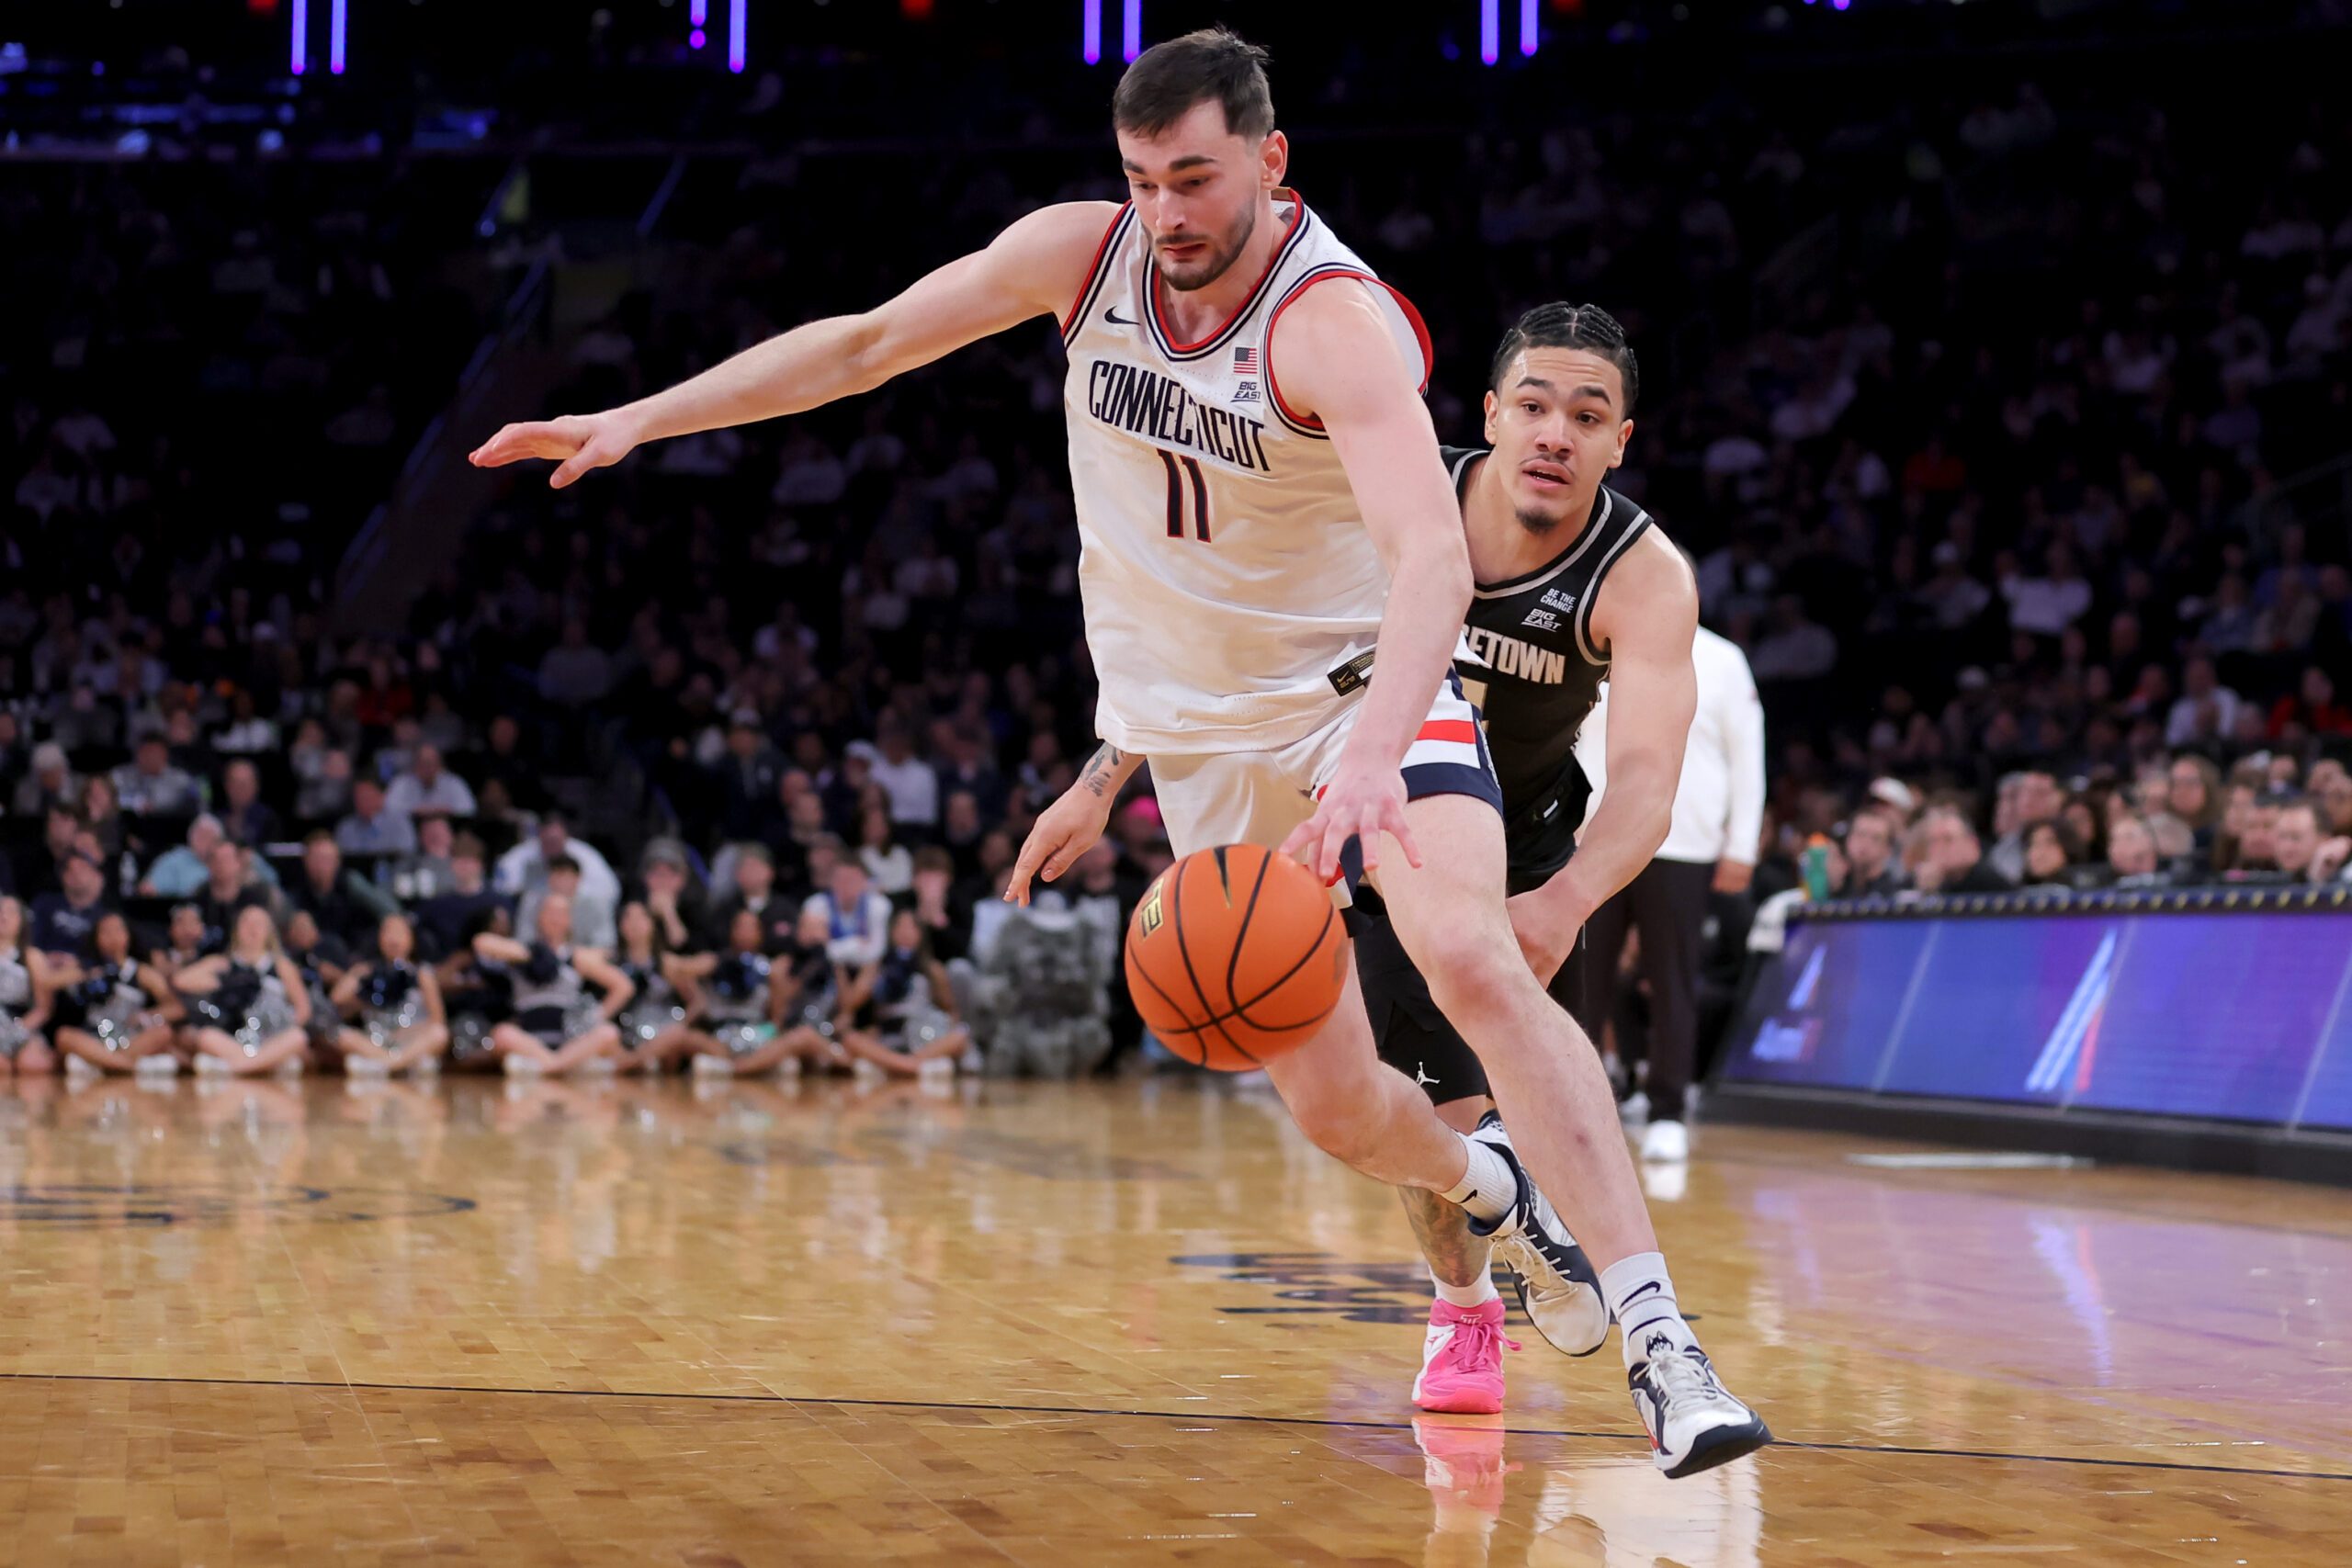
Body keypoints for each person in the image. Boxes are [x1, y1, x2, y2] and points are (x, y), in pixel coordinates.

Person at [472, 30, 1760, 1474]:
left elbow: (1425, 565)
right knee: (1338, 1106)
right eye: (1143, 179)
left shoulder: (1331, 321)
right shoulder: (1080, 259)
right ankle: (1495, 1194)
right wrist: (646, 413)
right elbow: (866, 341)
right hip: (1198, 749)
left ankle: (1663, 1342)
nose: (1167, 213)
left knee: (1470, 954)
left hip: (1356, 698)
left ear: (1271, 164)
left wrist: (1369, 760)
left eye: (1196, 178)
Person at [1577, 623, 1766, 1166]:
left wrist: (1742, 844)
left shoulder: (1723, 659)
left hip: (1685, 839)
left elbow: (1746, 754)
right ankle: (1582, 1108)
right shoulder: (1593, 645)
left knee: (1672, 977)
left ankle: (1667, 1110)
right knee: (1585, 977)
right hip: (1596, 832)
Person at [473, 893, 629, 1075]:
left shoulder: (576, 957)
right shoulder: (522, 951)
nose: (555, 918)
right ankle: (561, 1066)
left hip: (568, 1040)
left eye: (561, 912)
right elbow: (481, 942)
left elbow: (623, 986)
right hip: (529, 1038)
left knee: (608, 1033)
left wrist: (593, 1017)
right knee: (502, 1033)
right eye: (550, 911)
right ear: (539, 916)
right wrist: (532, 955)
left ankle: (548, 1066)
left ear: (569, 920)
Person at [174, 905, 313, 1076]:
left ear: (269, 932)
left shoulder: (281, 966)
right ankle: (265, 1065)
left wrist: (283, 1025)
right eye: (246, 922)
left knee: (298, 1037)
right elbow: (181, 980)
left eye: (259, 923)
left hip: (272, 1038)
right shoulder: (223, 963)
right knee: (206, 1037)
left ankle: (235, 1067)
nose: (252, 928)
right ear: (236, 930)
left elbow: (303, 1009)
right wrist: (222, 981)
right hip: (235, 1037)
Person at [838, 908, 974, 1077]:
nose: (905, 932)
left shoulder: (932, 968)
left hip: (923, 1034)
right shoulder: (877, 966)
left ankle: (895, 1066)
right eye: (900, 927)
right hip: (888, 1033)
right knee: (851, 1039)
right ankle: (912, 1067)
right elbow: (852, 1003)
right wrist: (872, 975)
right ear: (891, 932)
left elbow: (950, 1009)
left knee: (960, 1036)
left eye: (911, 927)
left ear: (920, 934)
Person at [51, 910, 180, 1075]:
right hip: (94, 1037)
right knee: (63, 1036)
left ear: (128, 935)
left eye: (118, 930)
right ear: (96, 937)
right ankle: (128, 1067)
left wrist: (149, 1015)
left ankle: (103, 1063)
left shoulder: (141, 972)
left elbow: (176, 1008)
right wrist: (84, 974)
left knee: (164, 1032)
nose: (113, 936)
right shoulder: (86, 969)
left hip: (130, 1037)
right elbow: (50, 982)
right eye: (106, 931)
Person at [330, 914, 449, 1075]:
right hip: (375, 1040)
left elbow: (438, 1020)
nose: (393, 939)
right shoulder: (367, 970)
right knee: (342, 1035)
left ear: (411, 939)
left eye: (399, 933)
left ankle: (386, 1065)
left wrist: (404, 1033)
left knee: (439, 1034)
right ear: (379, 938)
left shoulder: (421, 973)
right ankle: (401, 1063)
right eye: (388, 932)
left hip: (410, 1039)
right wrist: (365, 991)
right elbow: (336, 999)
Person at [0, 897, 62, 1077]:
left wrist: (15, 1034)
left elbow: (44, 1008)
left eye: (11, 911)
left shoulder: (32, 956)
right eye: (0, 910)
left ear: (21, 920)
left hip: (22, 1027)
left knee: (31, 1066)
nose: (3, 915)